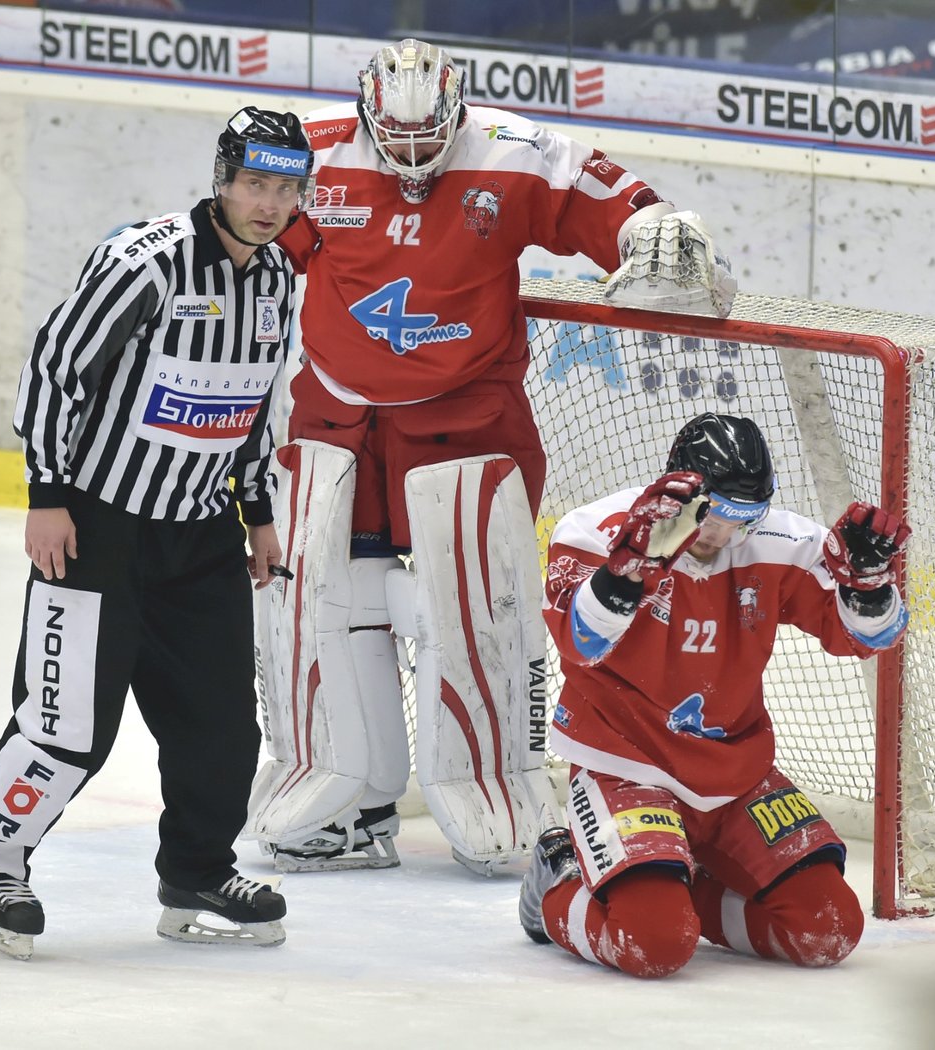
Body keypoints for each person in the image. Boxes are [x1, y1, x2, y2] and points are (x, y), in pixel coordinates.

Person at [244, 36, 738, 875]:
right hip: (335, 421)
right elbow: (241, 226)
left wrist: (659, 236)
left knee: (468, 607)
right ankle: (345, 798)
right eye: (393, 137)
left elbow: (629, 205)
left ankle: (494, 786)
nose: (410, 156)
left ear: (457, 110)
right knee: (327, 603)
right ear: (367, 111)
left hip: (469, 421)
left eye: (427, 137)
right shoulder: (312, 154)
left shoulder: (518, 153)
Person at [0, 107, 315, 959]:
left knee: (222, 724)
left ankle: (195, 871)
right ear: (222, 180)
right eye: (255, 184)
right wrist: (47, 493)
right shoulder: (143, 262)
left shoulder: (277, 280)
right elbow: (56, 364)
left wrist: (257, 514)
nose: (268, 203)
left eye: (285, 188)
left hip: (200, 534)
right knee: (68, 721)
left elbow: (258, 402)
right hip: (97, 528)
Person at [519, 412, 911, 977]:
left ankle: (677, 880)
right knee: (654, 944)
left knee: (828, 929)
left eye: (744, 520)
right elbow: (580, 643)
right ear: (685, 489)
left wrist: (869, 590)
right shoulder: (594, 531)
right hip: (625, 765)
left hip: (735, 773)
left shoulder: (782, 542)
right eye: (716, 516)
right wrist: (626, 576)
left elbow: (864, 637)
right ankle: (560, 882)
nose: (723, 535)